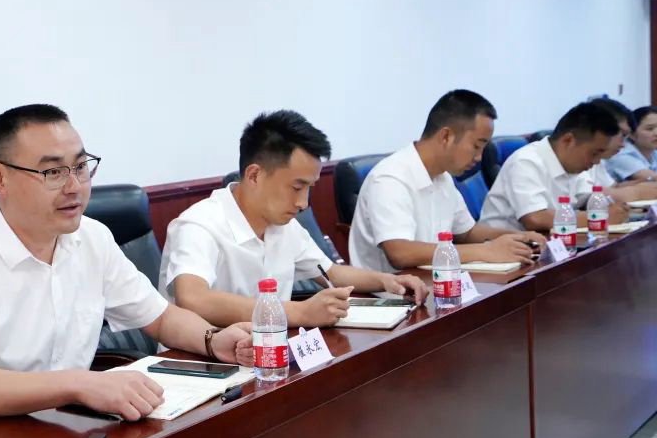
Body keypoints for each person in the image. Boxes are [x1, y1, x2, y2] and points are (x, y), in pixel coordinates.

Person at [0, 104, 253, 430]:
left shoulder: (91, 237)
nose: (74, 186)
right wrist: (78, 384)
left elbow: (160, 318)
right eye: (53, 172)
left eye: (80, 167)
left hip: (57, 429)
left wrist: (213, 340)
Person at [158, 110, 429, 330]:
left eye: (310, 188)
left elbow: (331, 273)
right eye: (297, 187)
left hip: (269, 351)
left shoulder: (283, 226)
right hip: (203, 361)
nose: (304, 203)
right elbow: (193, 297)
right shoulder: (199, 225)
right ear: (254, 175)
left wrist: (387, 281)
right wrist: (298, 312)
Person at [349, 90, 546, 274]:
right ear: (446, 136)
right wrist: (486, 251)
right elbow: (400, 253)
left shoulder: (442, 177)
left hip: (434, 282)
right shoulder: (390, 179)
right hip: (388, 294)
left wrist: (517, 237)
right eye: (476, 146)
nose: (479, 157)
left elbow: (467, 232)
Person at [480, 101, 629, 231]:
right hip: (501, 247)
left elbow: (586, 198)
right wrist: (599, 217)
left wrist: (611, 207)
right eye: (594, 153)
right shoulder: (526, 161)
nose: (596, 161)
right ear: (568, 140)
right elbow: (535, 218)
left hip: (547, 243)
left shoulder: (573, 165)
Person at [581, 99, 657, 202]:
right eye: (650, 129)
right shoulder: (620, 154)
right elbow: (588, 194)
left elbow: (613, 187)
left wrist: (640, 186)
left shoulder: (597, 160)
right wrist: (638, 192)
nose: (623, 144)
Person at [605, 105, 657, 183]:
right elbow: (653, 179)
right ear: (631, 134)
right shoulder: (620, 154)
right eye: (650, 129)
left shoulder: (653, 152)